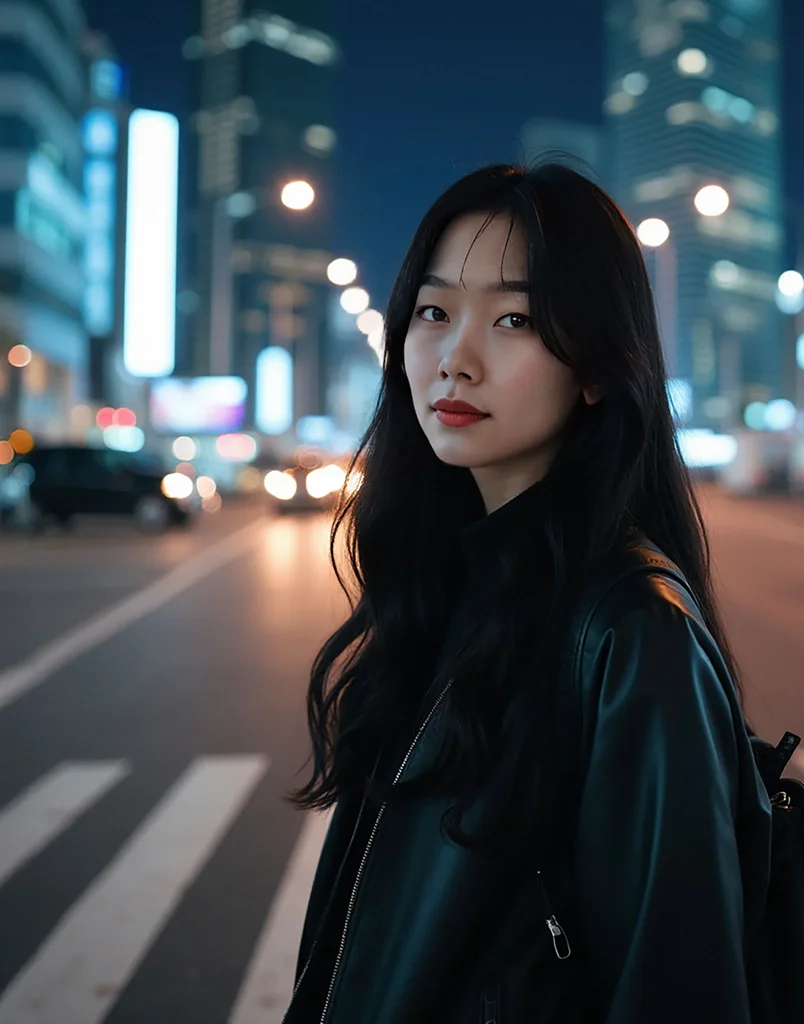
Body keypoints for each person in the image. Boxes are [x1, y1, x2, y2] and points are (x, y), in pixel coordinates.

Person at [284, 163, 772, 1023]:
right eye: (434, 312)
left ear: (595, 367)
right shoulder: (447, 586)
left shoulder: (631, 632)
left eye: (515, 320)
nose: (454, 360)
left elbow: (679, 987)